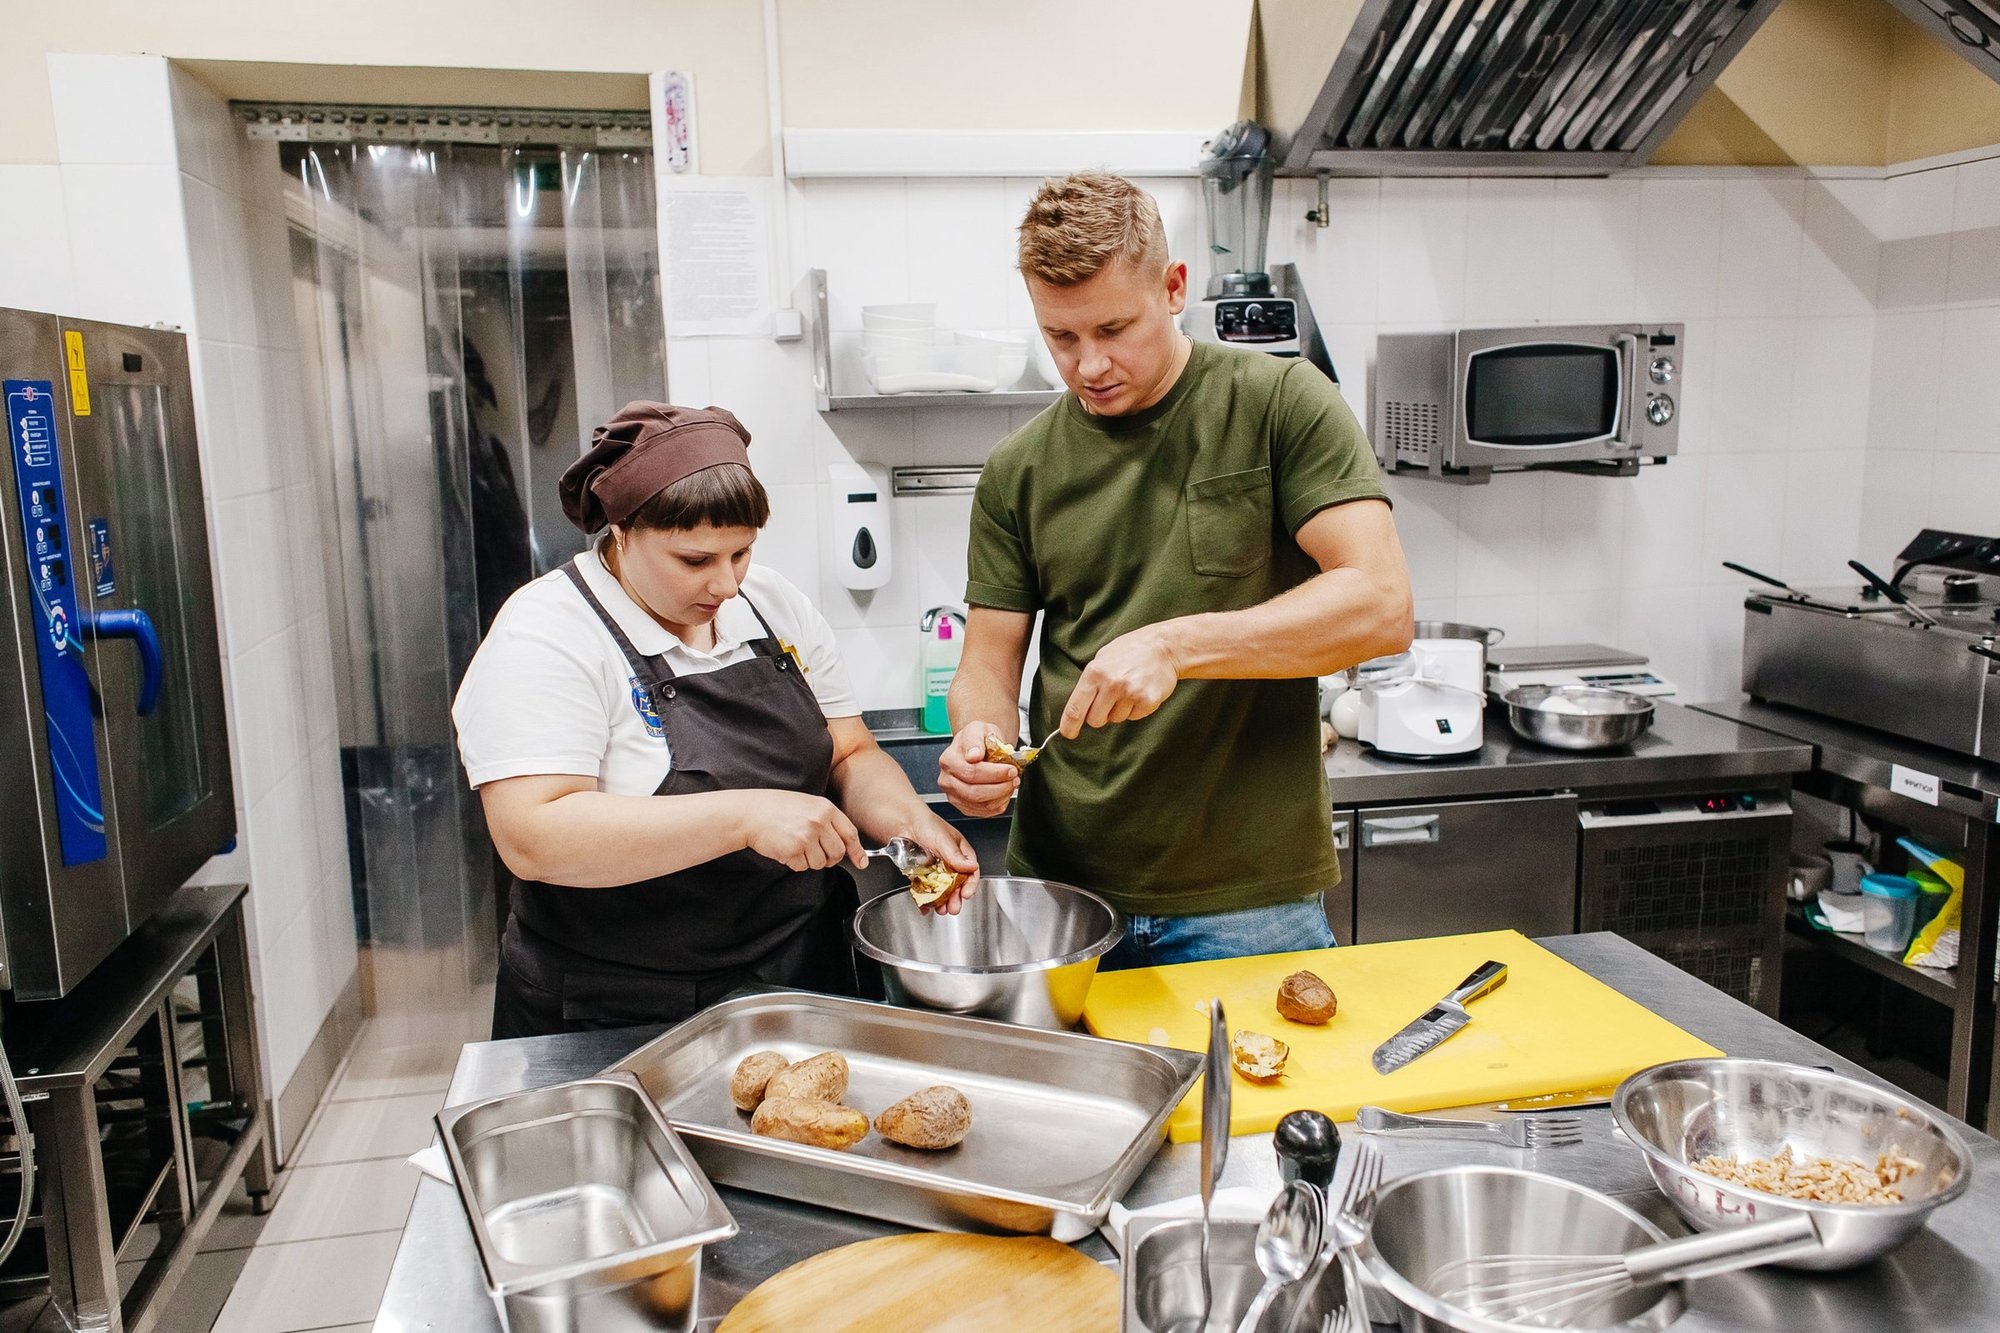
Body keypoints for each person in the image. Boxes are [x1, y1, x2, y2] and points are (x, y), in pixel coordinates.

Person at [937, 171, 1412, 969]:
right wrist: (977, 739)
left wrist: (1175, 645)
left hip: (1250, 897)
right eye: (1061, 337)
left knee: (1270, 1096)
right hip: (1064, 893)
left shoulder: (1281, 403)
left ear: (1175, 286)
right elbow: (987, 662)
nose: (1089, 364)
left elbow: (1380, 605)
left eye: (1114, 328)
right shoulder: (1018, 470)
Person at [454, 401, 978, 1038]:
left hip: (798, 976)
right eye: (695, 561)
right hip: (614, 1004)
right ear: (620, 532)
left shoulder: (771, 606)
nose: (727, 585)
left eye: (742, 554)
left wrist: (907, 818)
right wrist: (746, 816)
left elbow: (848, 753)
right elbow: (532, 836)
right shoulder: (547, 634)